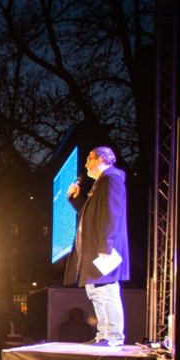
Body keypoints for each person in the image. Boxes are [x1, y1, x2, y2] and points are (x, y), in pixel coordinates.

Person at [65, 146, 130, 347]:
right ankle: (104, 334)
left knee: (106, 290)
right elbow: (89, 214)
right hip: (95, 249)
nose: (86, 164)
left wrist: (106, 246)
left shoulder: (111, 179)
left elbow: (111, 214)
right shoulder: (100, 183)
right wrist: (76, 198)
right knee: (96, 292)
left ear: (100, 159)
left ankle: (114, 336)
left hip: (104, 249)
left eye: (89, 159)